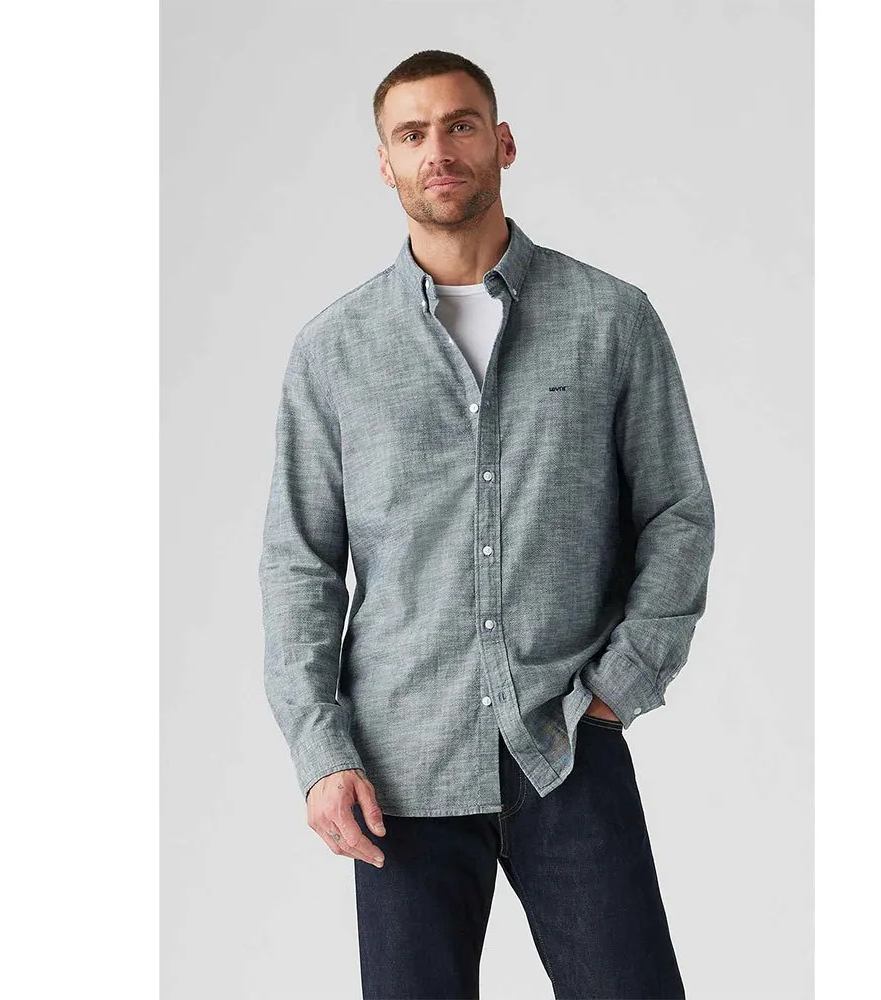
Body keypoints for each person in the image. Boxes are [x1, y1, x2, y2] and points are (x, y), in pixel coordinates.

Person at [258, 48, 715, 1000]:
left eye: (459, 125)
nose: (439, 150)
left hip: (566, 745)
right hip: (398, 771)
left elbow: (677, 513)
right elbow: (299, 564)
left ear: (502, 141)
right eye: (412, 134)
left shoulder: (611, 319)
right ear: (385, 163)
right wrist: (319, 752)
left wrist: (619, 687)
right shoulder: (334, 351)